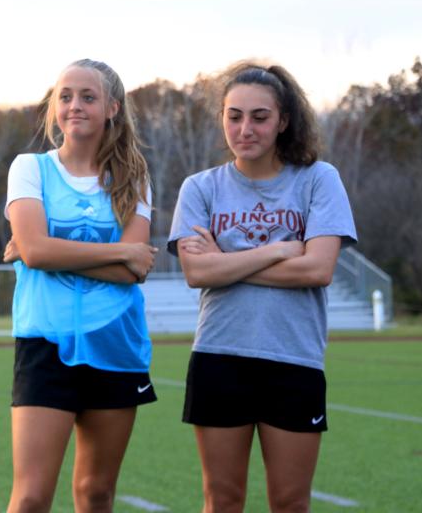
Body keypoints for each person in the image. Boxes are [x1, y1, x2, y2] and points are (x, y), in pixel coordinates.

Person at [168, 61, 357, 513]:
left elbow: (317, 270)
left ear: (283, 121)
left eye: (259, 117)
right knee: (222, 499)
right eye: (234, 116)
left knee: (291, 502)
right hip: (220, 357)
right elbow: (197, 274)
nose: (245, 128)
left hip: (293, 359)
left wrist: (224, 261)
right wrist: (276, 251)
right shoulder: (201, 188)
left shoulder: (318, 179)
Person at [3, 59, 159, 512]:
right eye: (65, 96)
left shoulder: (135, 176)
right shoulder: (29, 168)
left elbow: (135, 271)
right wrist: (117, 251)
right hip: (44, 344)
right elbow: (35, 251)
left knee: (96, 493)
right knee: (31, 497)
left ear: (112, 107)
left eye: (87, 97)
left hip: (116, 344)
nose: (74, 105)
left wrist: (49, 251)